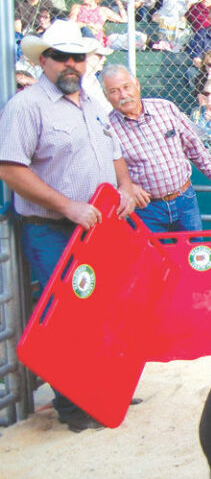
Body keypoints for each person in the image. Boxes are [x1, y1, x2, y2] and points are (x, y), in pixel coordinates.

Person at [0, 21, 136, 432]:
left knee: (106, 310)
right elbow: (10, 169)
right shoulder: (26, 106)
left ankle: (104, 390)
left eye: (77, 56)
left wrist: (126, 186)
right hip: (53, 228)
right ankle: (74, 407)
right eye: (61, 57)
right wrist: (68, 206)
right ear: (44, 60)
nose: (71, 64)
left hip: (101, 228)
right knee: (68, 317)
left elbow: (115, 155)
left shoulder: (93, 104)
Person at [102, 64, 211, 232]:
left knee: (193, 254)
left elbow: (193, 145)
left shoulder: (165, 108)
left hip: (185, 200)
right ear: (106, 96)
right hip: (146, 210)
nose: (123, 95)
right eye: (114, 91)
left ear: (137, 84)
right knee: (154, 258)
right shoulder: (107, 129)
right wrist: (126, 186)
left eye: (126, 87)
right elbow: (103, 170)